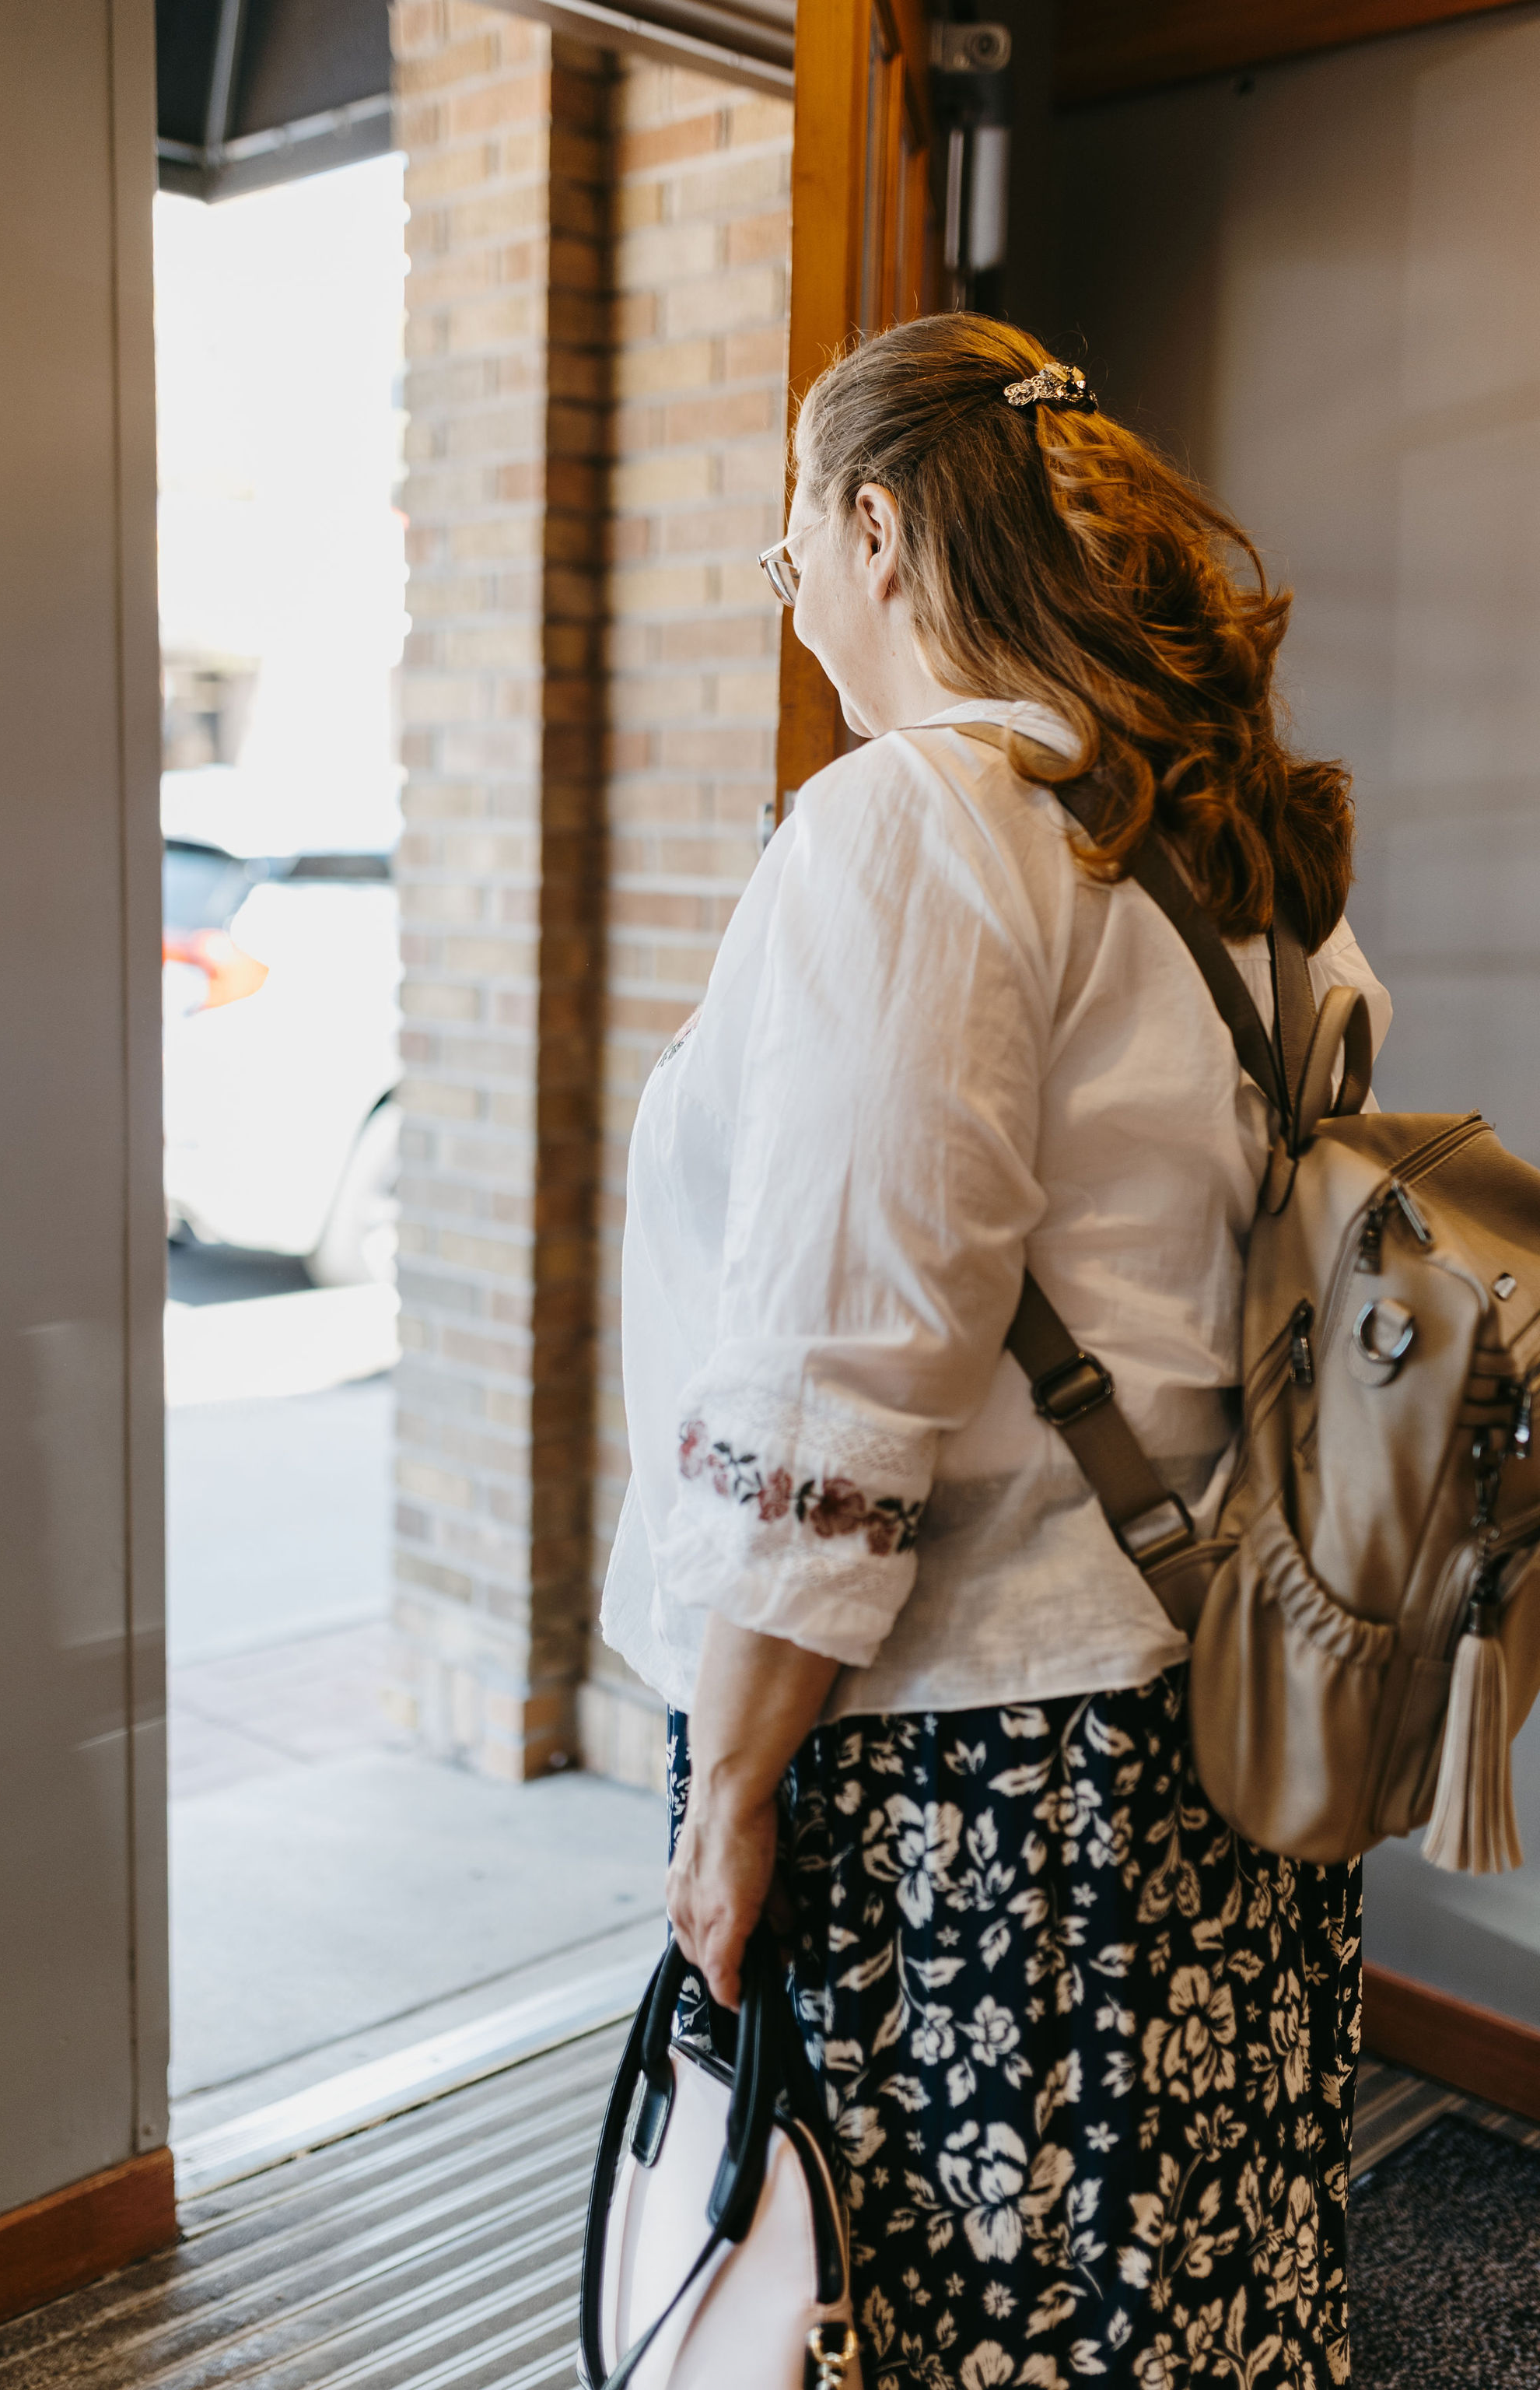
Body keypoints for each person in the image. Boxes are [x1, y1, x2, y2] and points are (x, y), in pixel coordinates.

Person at [600, 314, 1384, 2389]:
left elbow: (854, 1344)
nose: (802, 618)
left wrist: (735, 1776)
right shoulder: (1224, 848)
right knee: (1174, 2284)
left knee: (929, 2300)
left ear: (874, 527)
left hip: (971, 1762)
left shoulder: (915, 822)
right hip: (1203, 1712)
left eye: (791, 564)